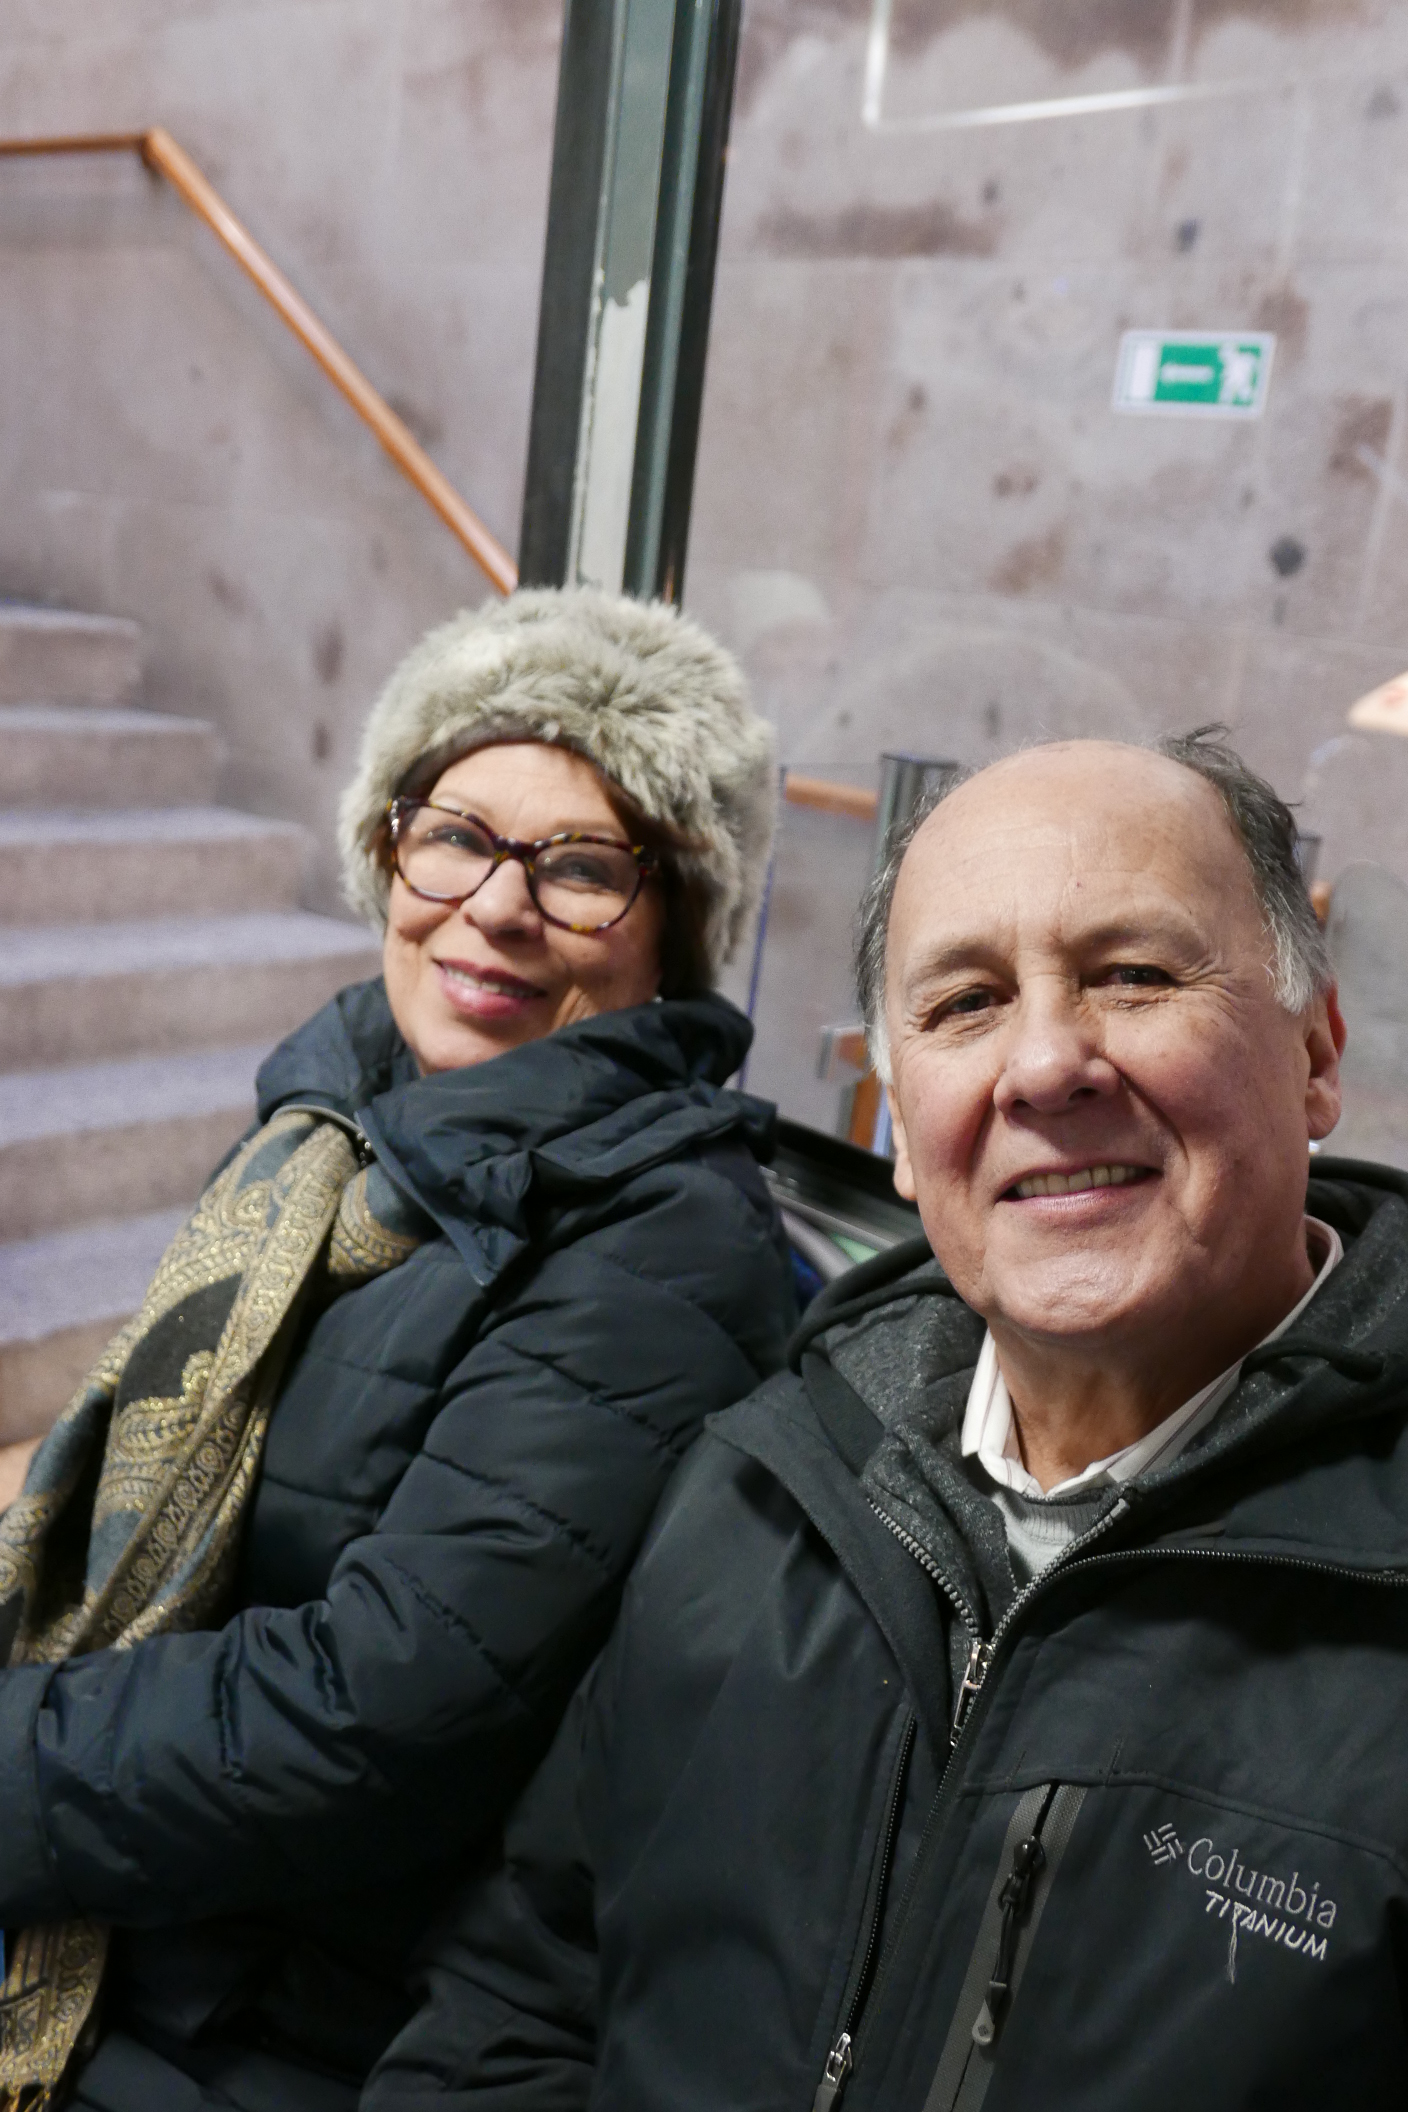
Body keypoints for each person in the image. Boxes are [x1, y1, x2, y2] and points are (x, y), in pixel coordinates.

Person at [368, 727, 1408, 2112]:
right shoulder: (762, 1486)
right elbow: (522, 1986)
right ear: (903, 1130)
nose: (1045, 1065)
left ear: (1316, 1051)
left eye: (1135, 976)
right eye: (966, 1003)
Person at [0, 588, 795, 2112]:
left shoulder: (666, 1246)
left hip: (262, 2023)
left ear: (677, 933)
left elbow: (373, 1715)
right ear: (388, 848)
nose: (495, 906)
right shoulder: (335, 1135)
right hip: (132, 1906)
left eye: (580, 869)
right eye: (458, 836)